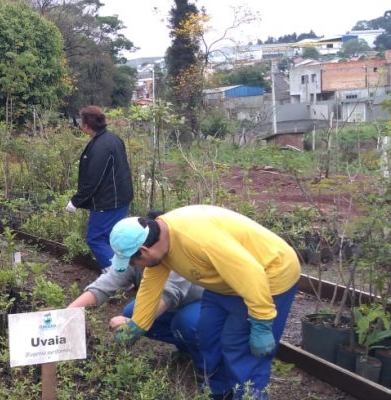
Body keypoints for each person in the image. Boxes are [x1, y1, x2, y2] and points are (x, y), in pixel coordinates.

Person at [108, 205, 301, 400]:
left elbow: (250, 273)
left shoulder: (197, 241)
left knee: (239, 347)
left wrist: (262, 322)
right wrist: (136, 326)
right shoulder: (159, 245)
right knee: (208, 335)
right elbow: (150, 288)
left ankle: (249, 396)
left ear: (143, 250)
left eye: (133, 262)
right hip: (226, 280)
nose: (134, 267)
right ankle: (218, 393)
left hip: (268, 275)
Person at [68, 259, 204, 371]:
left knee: (185, 323)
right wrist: (68, 314)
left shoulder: (173, 256)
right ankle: (187, 349)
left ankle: (208, 370)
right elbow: (104, 285)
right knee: (131, 312)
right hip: (170, 304)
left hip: (202, 303)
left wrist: (134, 324)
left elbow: (169, 294)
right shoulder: (132, 258)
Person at [65, 105, 133, 274]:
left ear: (86, 125)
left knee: (95, 239)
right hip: (120, 198)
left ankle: (117, 276)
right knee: (113, 239)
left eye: (81, 122)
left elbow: (93, 179)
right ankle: (124, 274)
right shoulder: (112, 138)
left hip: (108, 202)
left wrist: (76, 201)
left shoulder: (101, 146)